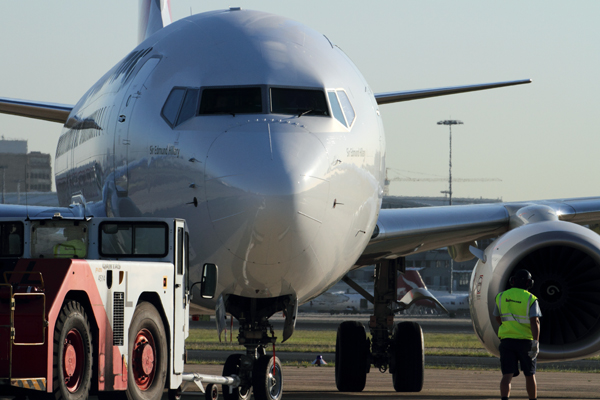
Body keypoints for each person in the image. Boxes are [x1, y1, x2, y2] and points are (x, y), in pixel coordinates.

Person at [494, 269, 541, 400]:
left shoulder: (501, 296)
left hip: (507, 342)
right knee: (530, 374)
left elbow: (497, 317)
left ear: (512, 281)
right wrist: (535, 343)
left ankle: (504, 398)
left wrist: (508, 327)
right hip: (525, 342)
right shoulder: (530, 299)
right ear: (529, 283)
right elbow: (535, 321)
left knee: (507, 375)